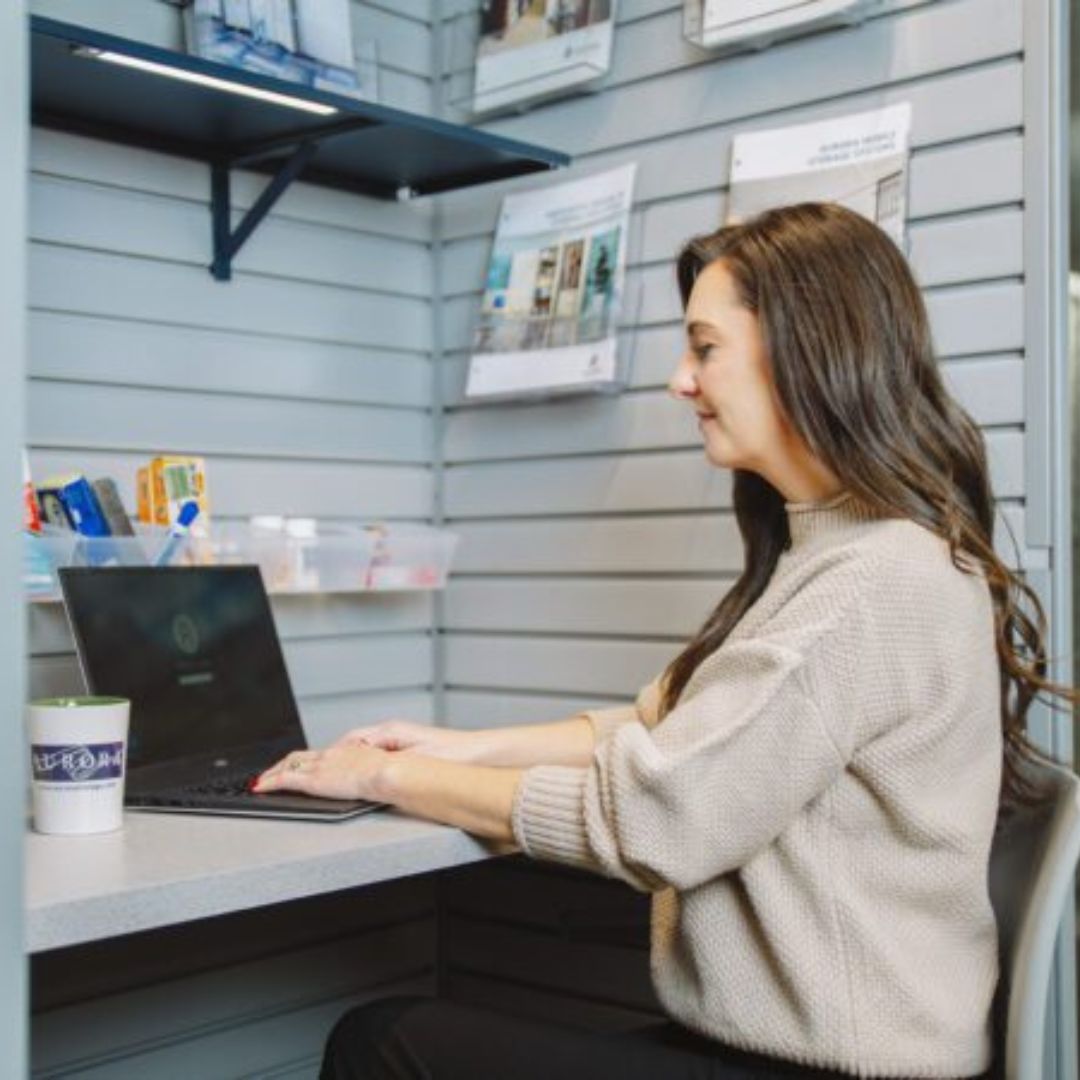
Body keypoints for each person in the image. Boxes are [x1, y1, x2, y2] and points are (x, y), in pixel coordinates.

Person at [254, 202, 1071, 1079]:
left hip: (842, 1068)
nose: (681, 382)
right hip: (820, 1053)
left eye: (705, 347)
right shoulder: (845, 554)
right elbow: (672, 730)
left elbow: (651, 818)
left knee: (384, 1043)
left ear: (808, 349)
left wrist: (386, 778)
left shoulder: (871, 586)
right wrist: (458, 746)